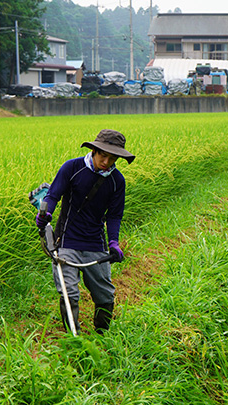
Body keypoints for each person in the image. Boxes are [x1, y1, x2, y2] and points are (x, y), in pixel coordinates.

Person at [35, 129, 135, 334]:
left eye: (112, 157)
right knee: (69, 291)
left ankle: (102, 336)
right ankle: (75, 339)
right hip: (66, 241)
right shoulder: (72, 168)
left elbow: (114, 216)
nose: (106, 162)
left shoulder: (117, 181)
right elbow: (53, 195)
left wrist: (114, 243)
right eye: (103, 155)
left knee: (105, 295)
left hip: (95, 244)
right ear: (94, 150)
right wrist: (46, 214)